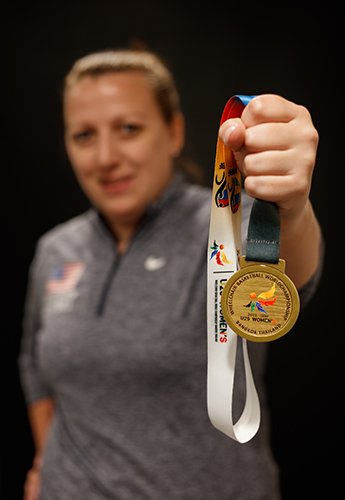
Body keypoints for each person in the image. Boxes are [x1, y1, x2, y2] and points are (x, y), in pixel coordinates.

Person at [18, 47, 323, 500]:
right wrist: (47, 463)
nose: (105, 157)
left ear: (174, 131)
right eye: (84, 135)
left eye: (128, 129)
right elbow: (34, 366)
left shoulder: (226, 225)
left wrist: (292, 207)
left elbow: (294, 275)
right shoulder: (55, 248)